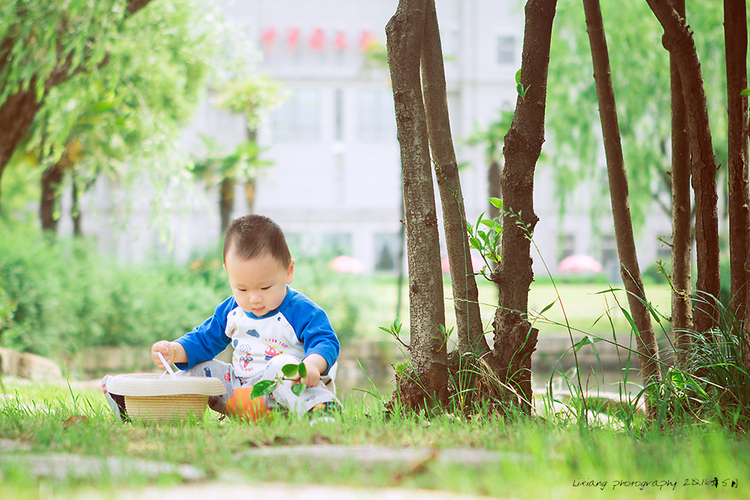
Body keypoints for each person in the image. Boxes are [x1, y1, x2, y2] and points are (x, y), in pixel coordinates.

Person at [103, 214, 340, 423]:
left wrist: (310, 365)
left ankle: (319, 411)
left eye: (266, 287)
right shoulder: (231, 311)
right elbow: (205, 340)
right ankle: (142, 406)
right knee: (199, 368)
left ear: (288, 271)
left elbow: (325, 341)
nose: (255, 299)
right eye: (243, 289)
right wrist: (175, 350)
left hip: (284, 396)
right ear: (228, 272)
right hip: (239, 393)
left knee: (282, 366)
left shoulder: (301, 311)